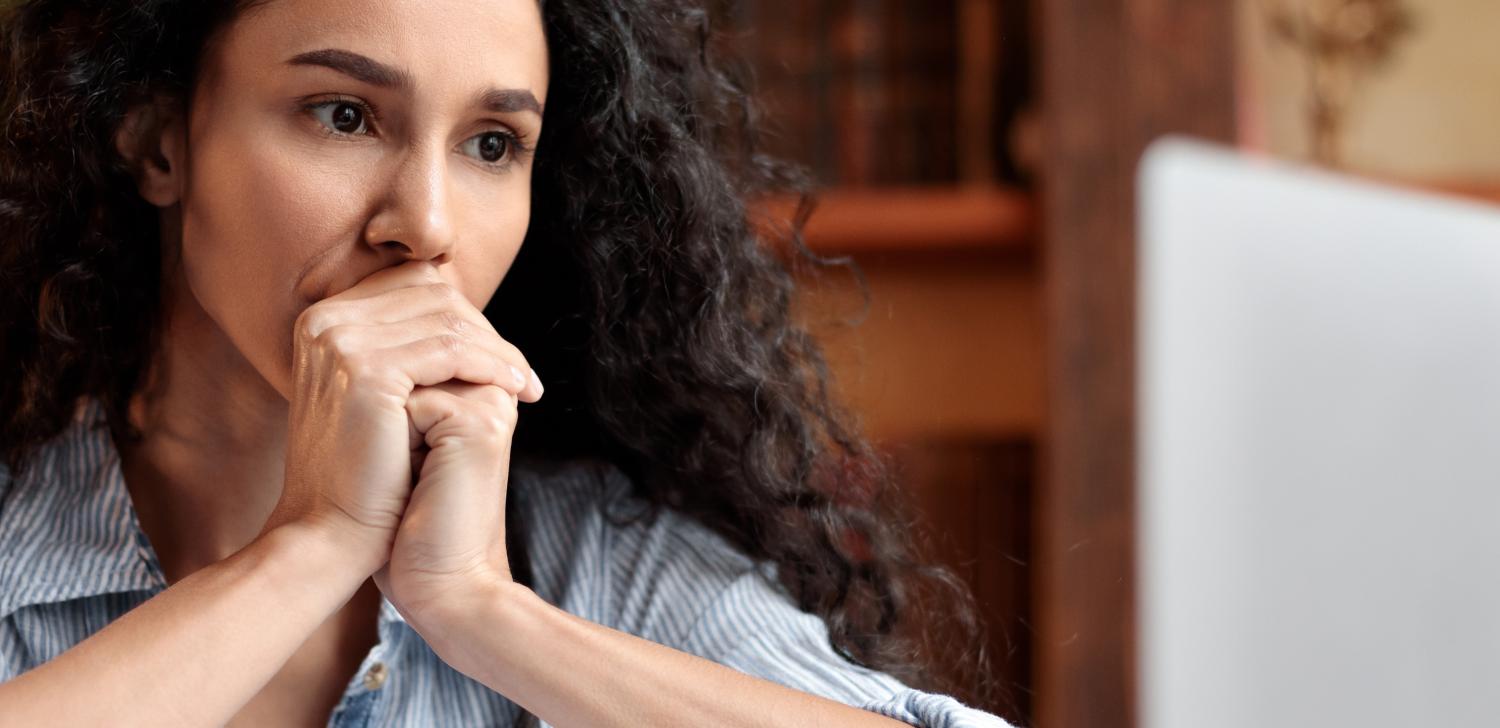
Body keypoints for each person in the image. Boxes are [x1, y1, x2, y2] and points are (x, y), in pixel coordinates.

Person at [0, 1, 1016, 726]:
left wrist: (483, 611)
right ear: (157, 137)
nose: (426, 226)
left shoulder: (599, 556)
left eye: (491, 144)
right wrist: (305, 551)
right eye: (343, 114)